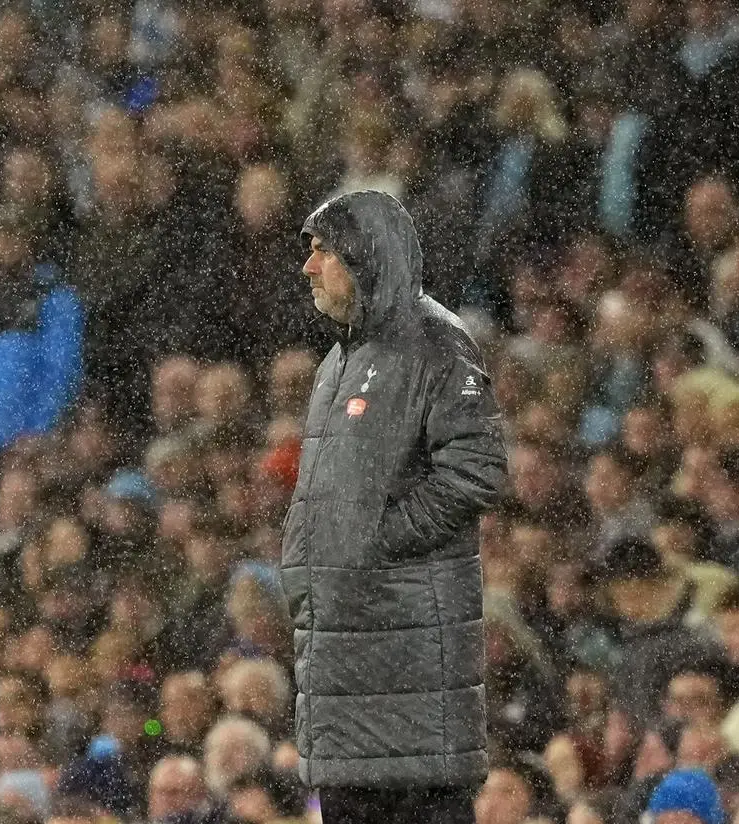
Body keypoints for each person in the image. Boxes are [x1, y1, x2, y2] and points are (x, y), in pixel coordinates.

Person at [280, 190, 509, 824]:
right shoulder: (340, 359)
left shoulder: (434, 342)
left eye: (323, 251)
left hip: (410, 670)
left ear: (365, 257)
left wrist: (376, 544)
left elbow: (476, 471)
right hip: (346, 666)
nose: (309, 267)